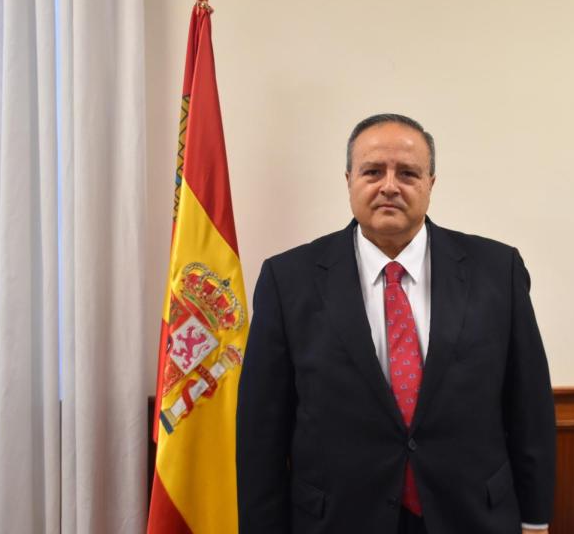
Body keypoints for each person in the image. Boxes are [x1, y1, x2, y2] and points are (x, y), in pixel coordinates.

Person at [236, 114, 556, 534]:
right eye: (372, 171)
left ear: (430, 183)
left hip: (472, 516)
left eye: (407, 173)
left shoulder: (498, 271)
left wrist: (535, 522)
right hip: (339, 520)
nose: (389, 185)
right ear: (349, 179)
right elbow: (262, 432)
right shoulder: (288, 280)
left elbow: (528, 406)